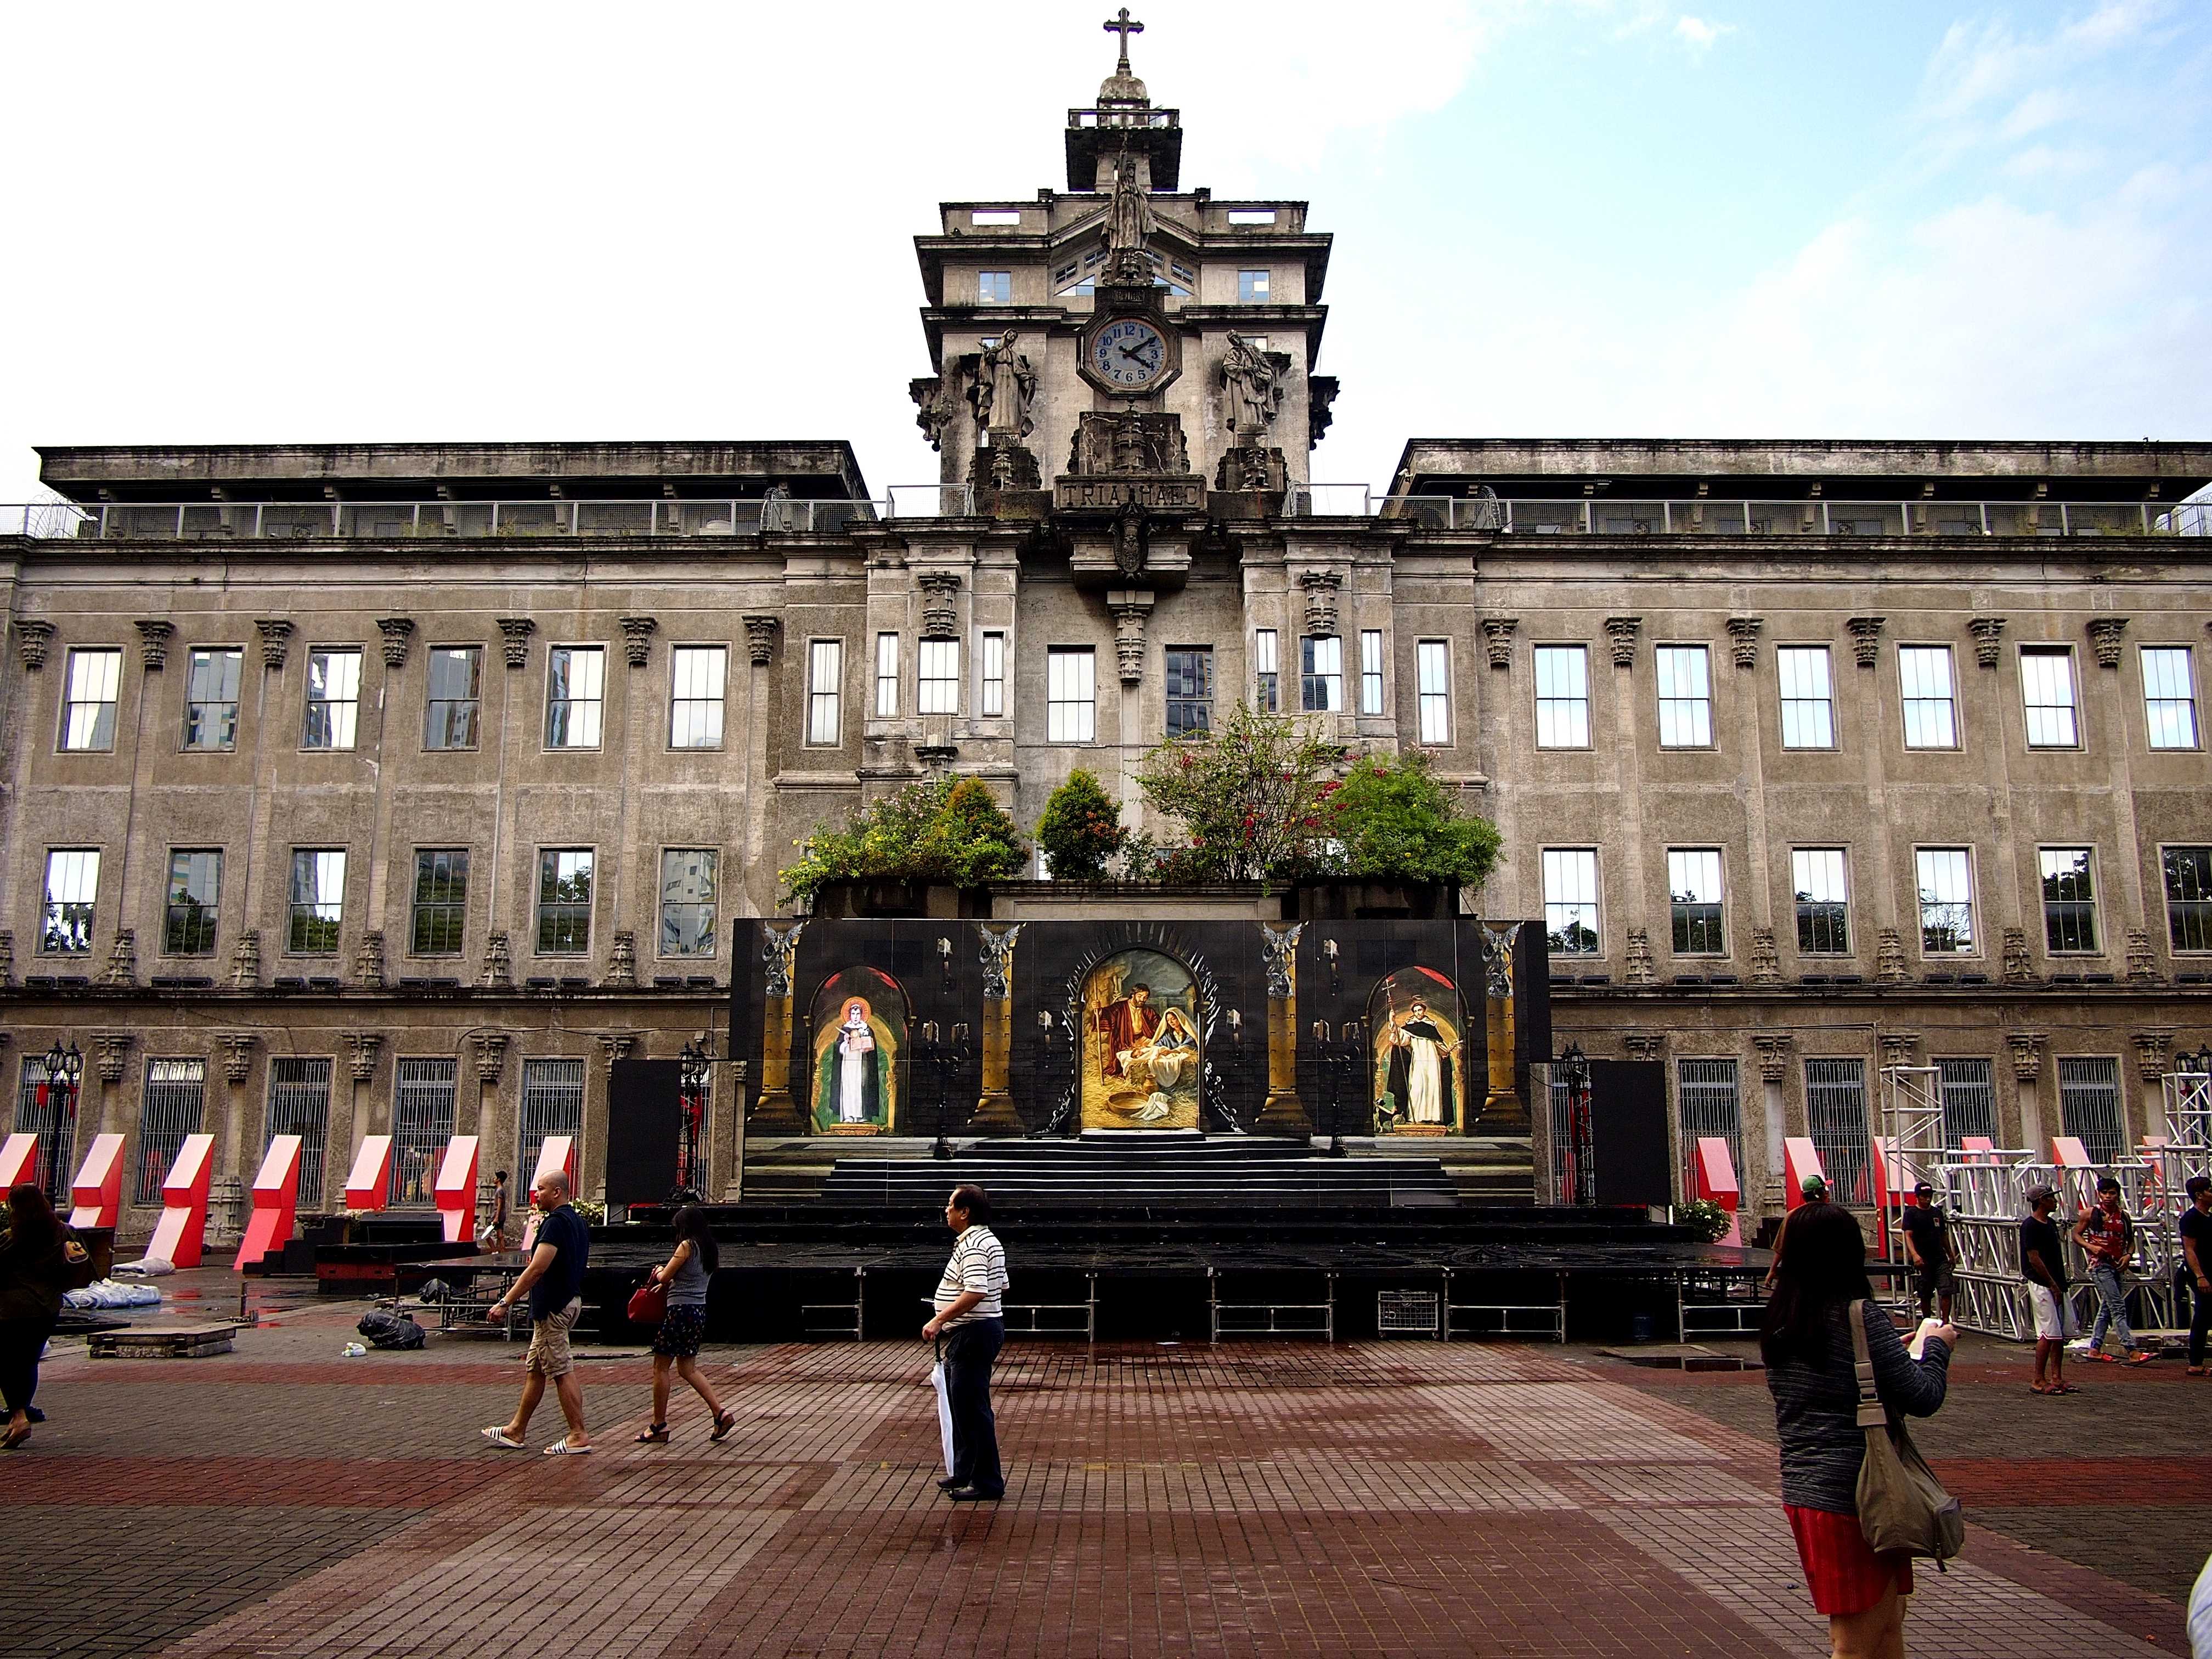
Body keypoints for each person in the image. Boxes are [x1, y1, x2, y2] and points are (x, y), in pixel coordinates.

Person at [1762, 1200, 1954, 1658]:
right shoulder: (1857, 1315)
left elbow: (1835, 1376)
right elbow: (1923, 1396)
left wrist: (1886, 1352)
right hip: (1862, 1492)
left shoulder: (1781, 1316)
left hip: (1808, 1487)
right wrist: (1937, 1347)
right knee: (1856, 1639)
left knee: (1887, 1624)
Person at [482, 1169, 592, 1454]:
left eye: (541, 1189)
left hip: (553, 1306)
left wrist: (505, 1302)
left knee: (560, 1368)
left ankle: (578, 1434)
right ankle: (516, 1429)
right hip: (566, 1301)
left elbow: (537, 1268)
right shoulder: (577, 1221)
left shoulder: (555, 1223)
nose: (536, 1195)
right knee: (538, 1368)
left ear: (557, 1192)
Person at [922, 1184, 1009, 1502]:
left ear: (965, 1212)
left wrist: (940, 1319)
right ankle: (966, 1471)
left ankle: (985, 1482)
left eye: (950, 1205)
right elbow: (1002, 1285)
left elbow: (976, 1291)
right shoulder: (986, 1241)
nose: (946, 1211)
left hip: (974, 1333)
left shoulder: (975, 1244)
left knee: (972, 1410)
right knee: (967, 1407)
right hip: (979, 1330)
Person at [636, 1205, 734, 1444]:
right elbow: (690, 1279)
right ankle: (720, 1413)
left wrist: (659, 1271)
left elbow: (665, 1276)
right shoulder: (710, 1248)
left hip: (679, 1312)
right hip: (698, 1310)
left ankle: (659, 1424)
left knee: (661, 1366)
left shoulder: (687, 1246)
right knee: (688, 1369)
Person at [1, 1184, 78, 1451]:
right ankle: (16, 1418)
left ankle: (19, 1417)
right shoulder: (62, 1231)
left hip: (12, 1310)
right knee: (29, 1360)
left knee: (8, 1363)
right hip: (47, 1308)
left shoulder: (12, 1237)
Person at [2073, 1176, 2153, 1366]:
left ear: (2117, 1195)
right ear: (2099, 1194)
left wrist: (2128, 1255)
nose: (2108, 1197)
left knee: (2107, 1308)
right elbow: (2076, 1234)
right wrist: (2091, 1247)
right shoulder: (2091, 1214)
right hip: (2099, 1265)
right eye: (2105, 1193)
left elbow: (2130, 1240)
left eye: (2112, 1193)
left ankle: (2095, 1348)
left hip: (2117, 1264)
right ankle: (2131, 1350)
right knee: (2117, 1306)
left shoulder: (2123, 1216)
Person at [2021, 1183, 2078, 1396]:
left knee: (2059, 1333)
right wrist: (2051, 1283)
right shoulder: (2030, 1226)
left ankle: (2057, 1376)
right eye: (2051, 1198)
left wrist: (2059, 1284)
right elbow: (2034, 1258)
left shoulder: (2051, 1224)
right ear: (2042, 1200)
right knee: (2047, 1332)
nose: (2055, 1201)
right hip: (2042, 1283)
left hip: (2056, 1282)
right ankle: (2038, 1378)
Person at [1899, 1182, 1956, 1323]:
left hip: (1940, 1257)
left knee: (1946, 1288)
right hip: (1924, 1258)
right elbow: (1908, 1235)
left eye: (1929, 1196)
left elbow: (1943, 1235)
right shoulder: (1911, 1214)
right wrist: (1915, 1255)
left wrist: (1951, 1254)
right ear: (1917, 1197)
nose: (1927, 1199)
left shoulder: (1936, 1213)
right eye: (1924, 1196)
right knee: (1925, 1292)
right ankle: (1927, 1321)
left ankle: (1945, 1322)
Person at [2181, 1175, 2212, 1378]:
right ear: (2200, 1195)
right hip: (2202, 1272)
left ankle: (2197, 1362)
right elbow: (2189, 1250)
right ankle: (2195, 1363)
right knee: (2203, 1315)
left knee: (2206, 1315)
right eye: (2210, 1190)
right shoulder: (2191, 1219)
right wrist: (2200, 1275)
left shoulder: (2209, 1217)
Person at [479, 1169, 511, 1249]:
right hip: (503, 1214)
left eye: (495, 1178)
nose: (494, 1179)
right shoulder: (502, 1189)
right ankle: (503, 1251)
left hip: (497, 1214)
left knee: (486, 1234)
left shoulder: (499, 1190)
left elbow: (500, 1204)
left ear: (499, 1179)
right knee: (500, 1235)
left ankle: (494, 1250)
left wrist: (496, 1217)